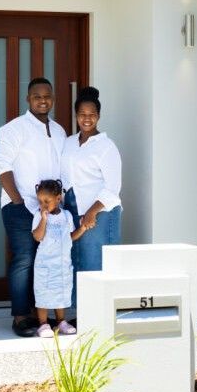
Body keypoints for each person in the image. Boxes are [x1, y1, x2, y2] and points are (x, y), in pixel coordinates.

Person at [0, 77, 67, 337]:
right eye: (37, 96)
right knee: (24, 259)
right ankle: (21, 317)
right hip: (21, 207)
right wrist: (18, 201)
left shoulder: (59, 131)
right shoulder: (13, 129)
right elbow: (1, 166)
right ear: (28, 99)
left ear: (53, 98)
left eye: (47, 95)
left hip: (52, 211)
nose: (43, 100)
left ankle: (44, 317)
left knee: (47, 262)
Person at [61, 86, 122, 280]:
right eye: (82, 114)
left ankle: (97, 310)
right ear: (76, 116)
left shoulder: (106, 146)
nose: (87, 119)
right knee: (76, 260)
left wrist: (91, 212)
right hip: (72, 208)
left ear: (99, 116)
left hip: (99, 212)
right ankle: (79, 309)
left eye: (92, 114)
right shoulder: (68, 142)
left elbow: (113, 187)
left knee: (94, 263)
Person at [31, 179, 87, 338]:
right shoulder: (39, 215)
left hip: (62, 264)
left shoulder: (67, 216)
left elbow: (71, 237)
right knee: (43, 292)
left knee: (61, 292)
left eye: (47, 201)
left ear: (58, 198)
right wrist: (43, 219)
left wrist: (82, 228)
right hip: (45, 264)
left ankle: (61, 321)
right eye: (40, 201)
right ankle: (43, 324)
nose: (43, 204)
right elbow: (37, 236)